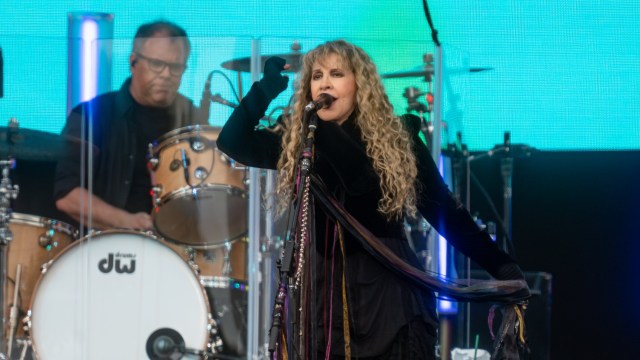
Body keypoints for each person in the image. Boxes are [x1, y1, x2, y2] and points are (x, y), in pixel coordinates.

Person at [217, 40, 529, 359]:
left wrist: (504, 268)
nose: (324, 82)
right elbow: (232, 142)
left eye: (336, 74)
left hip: (388, 293)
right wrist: (266, 89)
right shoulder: (301, 139)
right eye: (316, 75)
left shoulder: (398, 138)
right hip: (324, 297)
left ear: (359, 84)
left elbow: (445, 212)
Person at [54, 20, 208, 230]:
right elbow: (67, 195)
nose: (166, 74)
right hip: (105, 247)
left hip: (177, 247)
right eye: (157, 64)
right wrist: (128, 222)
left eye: (175, 67)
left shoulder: (193, 119)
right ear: (133, 62)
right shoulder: (93, 115)